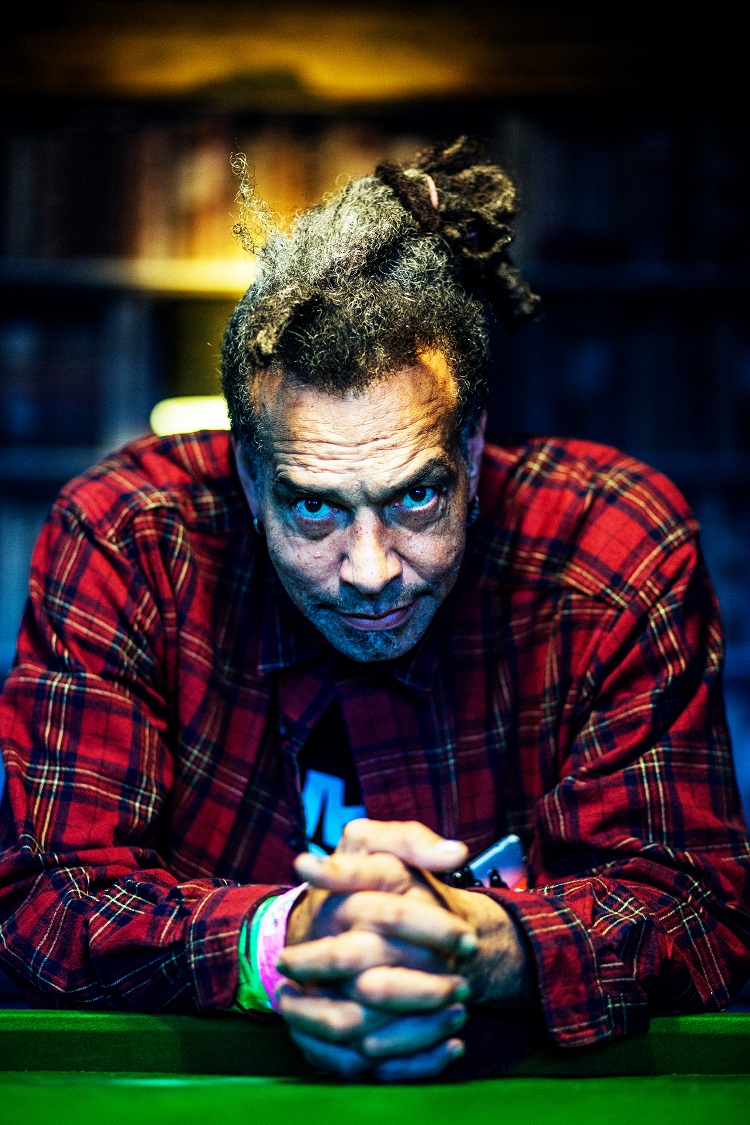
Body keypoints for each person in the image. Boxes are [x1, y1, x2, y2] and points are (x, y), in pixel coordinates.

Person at [1, 137, 749, 1082]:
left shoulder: (616, 548)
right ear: (249, 475)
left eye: (416, 497)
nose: (368, 571)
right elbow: (43, 899)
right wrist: (281, 944)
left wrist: (480, 940)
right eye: (314, 507)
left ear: (472, 452)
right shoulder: (123, 538)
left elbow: (698, 907)